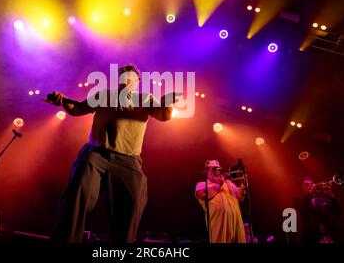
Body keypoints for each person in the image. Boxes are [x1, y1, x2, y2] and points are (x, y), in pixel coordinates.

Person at [46, 64, 177, 243]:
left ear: (137, 82)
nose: (126, 80)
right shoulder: (104, 94)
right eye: (123, 77)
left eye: (130, 77)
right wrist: (63, 102)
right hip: (96, 154)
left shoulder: (145, 98)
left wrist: (167, 102)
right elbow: (78, 109)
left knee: (132, 205)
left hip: (128, 160)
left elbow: (163, 115)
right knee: (76, 198)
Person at [195, 160, 246, 243]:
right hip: (219, 225)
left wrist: (244, 183)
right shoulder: (202, 184)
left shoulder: (228, 183)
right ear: (207, 171)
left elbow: (240, 197)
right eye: (214, 169)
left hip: (236, 222)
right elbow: (206, 196)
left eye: (218, 169)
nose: (217, 171)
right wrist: (219, 184)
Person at [294, 177, 342, 243]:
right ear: (301, 188)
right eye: (307, 184)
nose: (310, 185)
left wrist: (331, 196)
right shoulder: (298, 200)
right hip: (313, 237)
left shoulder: (321, 198)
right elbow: (304, 210)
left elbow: (338, 212)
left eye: (311, 184)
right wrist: (311, 193)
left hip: (329, 236)